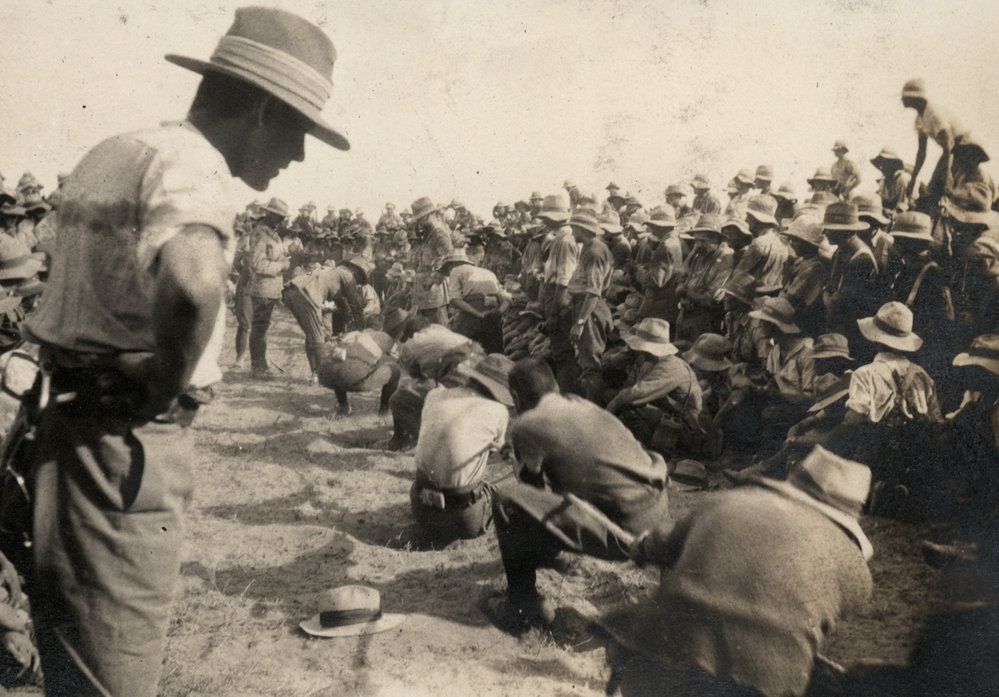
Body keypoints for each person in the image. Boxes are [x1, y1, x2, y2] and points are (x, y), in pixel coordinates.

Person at [14, 8, 351, 696]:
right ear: (258, 109)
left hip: (60, 430)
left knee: (73, 658)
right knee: (115, 671)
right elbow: (194, 285)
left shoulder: (118, 149)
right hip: (123, 443)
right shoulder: (194, 166)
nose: (296, 156)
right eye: (294, 131)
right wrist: (164, 385)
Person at [600, 446, 873, 697]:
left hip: (655, 655)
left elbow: (659, 544)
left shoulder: (725, 502)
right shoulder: (854, 568)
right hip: (757, 683)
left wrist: (642, 547)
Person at [485, 358, 670, 632]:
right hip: (659, 518)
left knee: (507, 500)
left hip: (624, 535)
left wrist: (520, 458)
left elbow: (531, 497)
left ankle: (521, 607)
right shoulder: (581, 404)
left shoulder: (526, 425)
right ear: (555, 386)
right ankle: (554, 558)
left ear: (515, 397)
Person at [411, 354, 513, 545]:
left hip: (420, 508)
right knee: (512, 478)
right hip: (465, 520)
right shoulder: (498, 411)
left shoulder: (435, 394)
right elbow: (495, 452)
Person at [606, 318, 703, 457]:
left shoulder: (670, 368)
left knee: (629, 413)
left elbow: (633, 394)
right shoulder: (655, 360)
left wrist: (604, 419)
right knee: (614, 399)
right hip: (673, 415)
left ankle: (648, 455)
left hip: (687, 428)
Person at [282, 255, 368, 383]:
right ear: (355, 271)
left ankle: (315, 374)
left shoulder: (332, 271)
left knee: (311, 334)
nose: (357, 283)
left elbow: (341, 301)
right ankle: (327, 376)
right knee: (318, 336)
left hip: (291, 290)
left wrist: (347, 315)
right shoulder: (347, 275)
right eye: (358, 280)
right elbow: (355, 304)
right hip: (307, 294)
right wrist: (361, 327)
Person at [901, 78, 968, 212]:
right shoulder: (920, 119)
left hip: (963, 148)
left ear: (915, 98)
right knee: (932, 190)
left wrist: (947, 173)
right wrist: (913, 179)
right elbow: (921, 152)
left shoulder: (933, 112)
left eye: (905, 98)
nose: (902, 101)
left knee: (941, 188)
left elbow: (949, 143)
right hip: (950, 150)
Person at [245, 196, 290, 377]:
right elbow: (258, 264)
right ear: (269, 214)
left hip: (271, 288)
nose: (282, 220)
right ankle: (257, 367)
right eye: (279, 216)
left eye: (283, 217)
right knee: (259, 328)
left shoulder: (273, 234)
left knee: (262, 327)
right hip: (262, 288)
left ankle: (261, 365)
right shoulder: (260, 234)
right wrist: (282, 266)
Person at [438, 250, 510, 354]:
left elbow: (455, 300)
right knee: (494, 353)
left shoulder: (456, 270)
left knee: (458, 352)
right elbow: (507, 300)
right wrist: (498, 312)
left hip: (473, 314)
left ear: (451, 265)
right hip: (493, 314)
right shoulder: (488, 272)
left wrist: (478, 314)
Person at [409, 196, 454, 325]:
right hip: (424, 290)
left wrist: (433, 280)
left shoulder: (439, 234)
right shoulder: (429, 234)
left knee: (437, 328)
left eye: (420, 219)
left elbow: (449, 259)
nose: (418, 223)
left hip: (434, 289)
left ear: (427, 216)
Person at [871, 147, 911, 211]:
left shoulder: (902, 179)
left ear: (893, 164)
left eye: (885, 163)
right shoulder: (883, 181)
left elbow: (903, 205)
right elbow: (881, 201)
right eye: (881, 164)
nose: (882, 167)